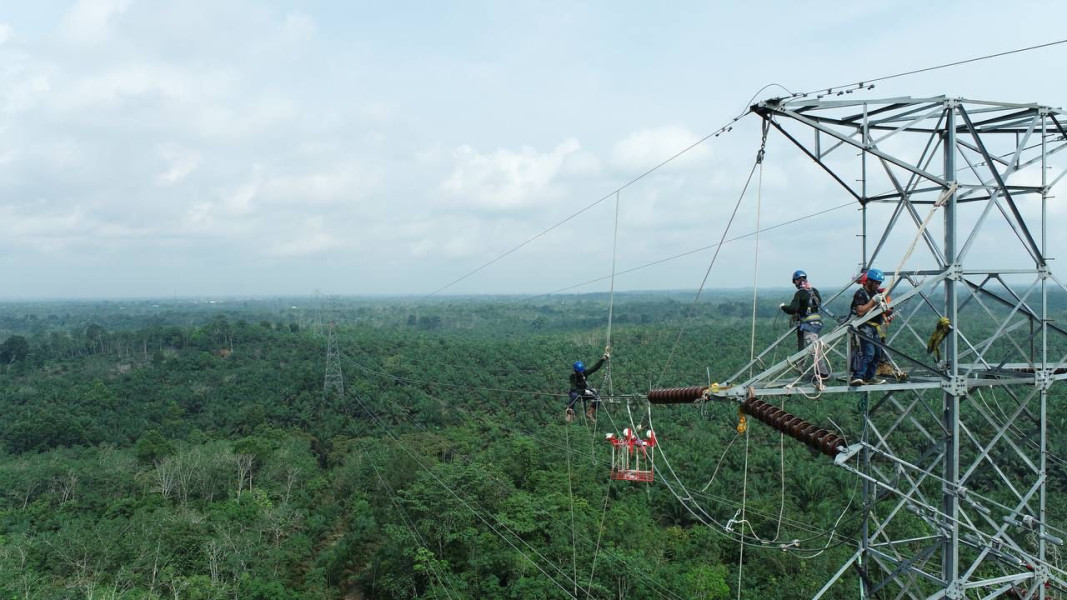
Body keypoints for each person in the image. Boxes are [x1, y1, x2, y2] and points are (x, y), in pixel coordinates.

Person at [779, 269, 829, 385]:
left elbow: (793, 309)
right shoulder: (814, 291)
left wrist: (783, 307)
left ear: (796, 281)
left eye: (796, 281)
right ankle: (805, 371)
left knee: (814, 349)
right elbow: (817, 303)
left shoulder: (800, 293)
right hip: (817, 324)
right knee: (812, 347)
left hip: (808, 325)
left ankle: (823, 373)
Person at [850, 268, 888, 386]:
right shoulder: (860, 294)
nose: (878, 285)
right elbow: (860, 311)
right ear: (869, 281)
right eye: (876, 283)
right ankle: (857, 376)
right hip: (866, 327)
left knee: (877, 354)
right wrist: (873, 301)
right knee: (869, 353)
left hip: (877, 327)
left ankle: (869, 377)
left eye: (879, 283)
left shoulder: (875, 294)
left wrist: (886, 310)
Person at [568, 349, 609, 422]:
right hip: (576, 392)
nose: (581, 373)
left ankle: (590, 413)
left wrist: (602, 359)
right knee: (574, 395)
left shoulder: (584, 373)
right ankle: (570, 413)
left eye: (582, 371)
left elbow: (594, 368)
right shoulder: (573, 376)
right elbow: (573, 387)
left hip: (583, 392)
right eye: (580, 372)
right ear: (576, 371)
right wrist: (584, 391)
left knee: (597, 397)